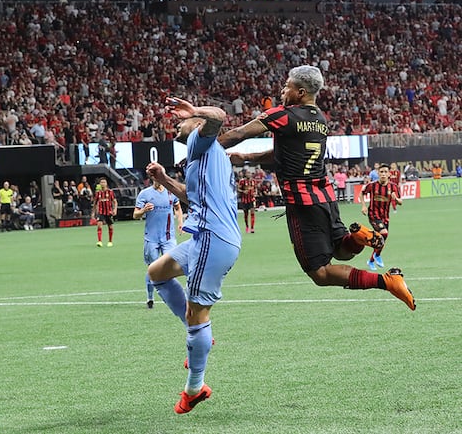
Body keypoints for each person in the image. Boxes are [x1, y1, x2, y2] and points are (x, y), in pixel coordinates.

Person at [219, 65, 415, 311]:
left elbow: (239, 133)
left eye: (287, 86)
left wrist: (202, 149)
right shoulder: (319, 120)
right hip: (326, 197)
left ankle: (387, 281)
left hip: (301, 204)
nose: (282, 90)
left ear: (300, 92)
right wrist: (245, 158)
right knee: (342, 252)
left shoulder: (283, 115)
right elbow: (284, 154)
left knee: (320, 273)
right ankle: (358, 238)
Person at [146, 97, 241, 414]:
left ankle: (195, 388)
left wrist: (195, 112)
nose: (177, 123)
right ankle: (198, 335)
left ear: (197, 126)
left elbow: (218, 116)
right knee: (157, 272)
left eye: (182, 121)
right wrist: (163, 180)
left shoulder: (201, 139)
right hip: (208, 236)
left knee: (197, 316)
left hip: (212, 238)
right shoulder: (203, 155)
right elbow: (189, 195)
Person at [133, 177, 184, 309]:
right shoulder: (145, 194)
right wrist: (143, 210)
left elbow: (177, 208)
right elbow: (135, 214)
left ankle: (171, 296)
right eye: (155, 179)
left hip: (168, 237)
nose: (157, 181)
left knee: (170, 265)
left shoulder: (171, 192)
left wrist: (180, 222)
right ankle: (150, 298)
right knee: (152, 268)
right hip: (151, 238)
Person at [360, 164, 402, 270]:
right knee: (384, 233)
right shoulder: (372, 185)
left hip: (385, 216)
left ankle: (371, 261)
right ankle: (377, 255)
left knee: (382, 239)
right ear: (378, 173)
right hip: (373, 214)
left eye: (385, 172)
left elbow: (400, 202)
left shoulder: (393, 187)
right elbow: (362, 193)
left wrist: (396, 199)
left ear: (389, 174)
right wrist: (364, 206)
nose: (383, 174)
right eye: (381, 172)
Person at [91, 177, 117, 247]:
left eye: (104, 182)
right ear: (99, 184)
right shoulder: (98, 193)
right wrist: (93, 213)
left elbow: (114, 201)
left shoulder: (110, 192)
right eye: (101, 182)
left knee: (110, 226)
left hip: (109, 211)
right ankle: (99, 241)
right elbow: (95, 203)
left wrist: (115, 209)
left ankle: (110, 241)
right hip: (100, 211)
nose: (103, 184)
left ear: (106, 183)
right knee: (99, 225)